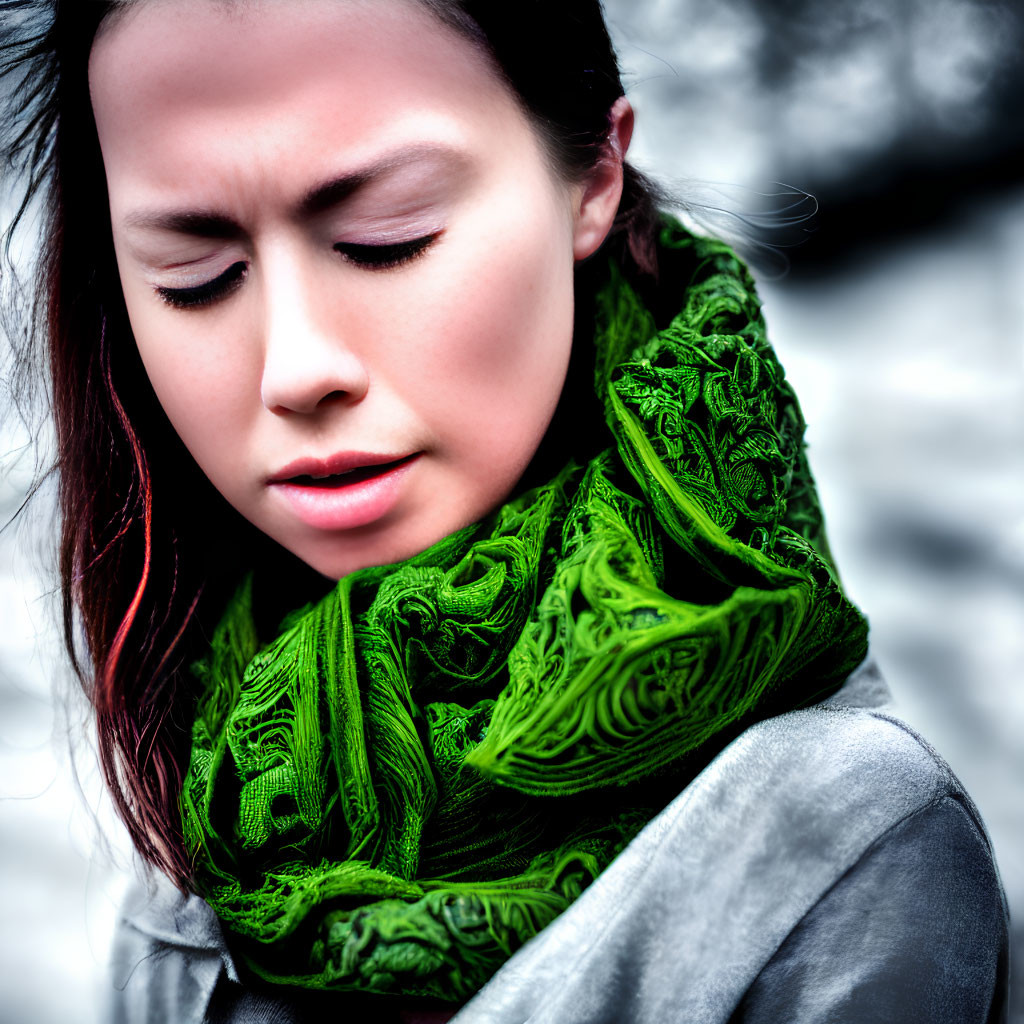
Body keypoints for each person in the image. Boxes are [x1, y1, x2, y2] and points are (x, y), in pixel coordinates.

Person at [0, 1, 1009, 1021]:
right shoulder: (219, 811)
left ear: (593, 179)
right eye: (195, 277)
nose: (296, 369)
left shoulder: (842, 843)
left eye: (384, 238)